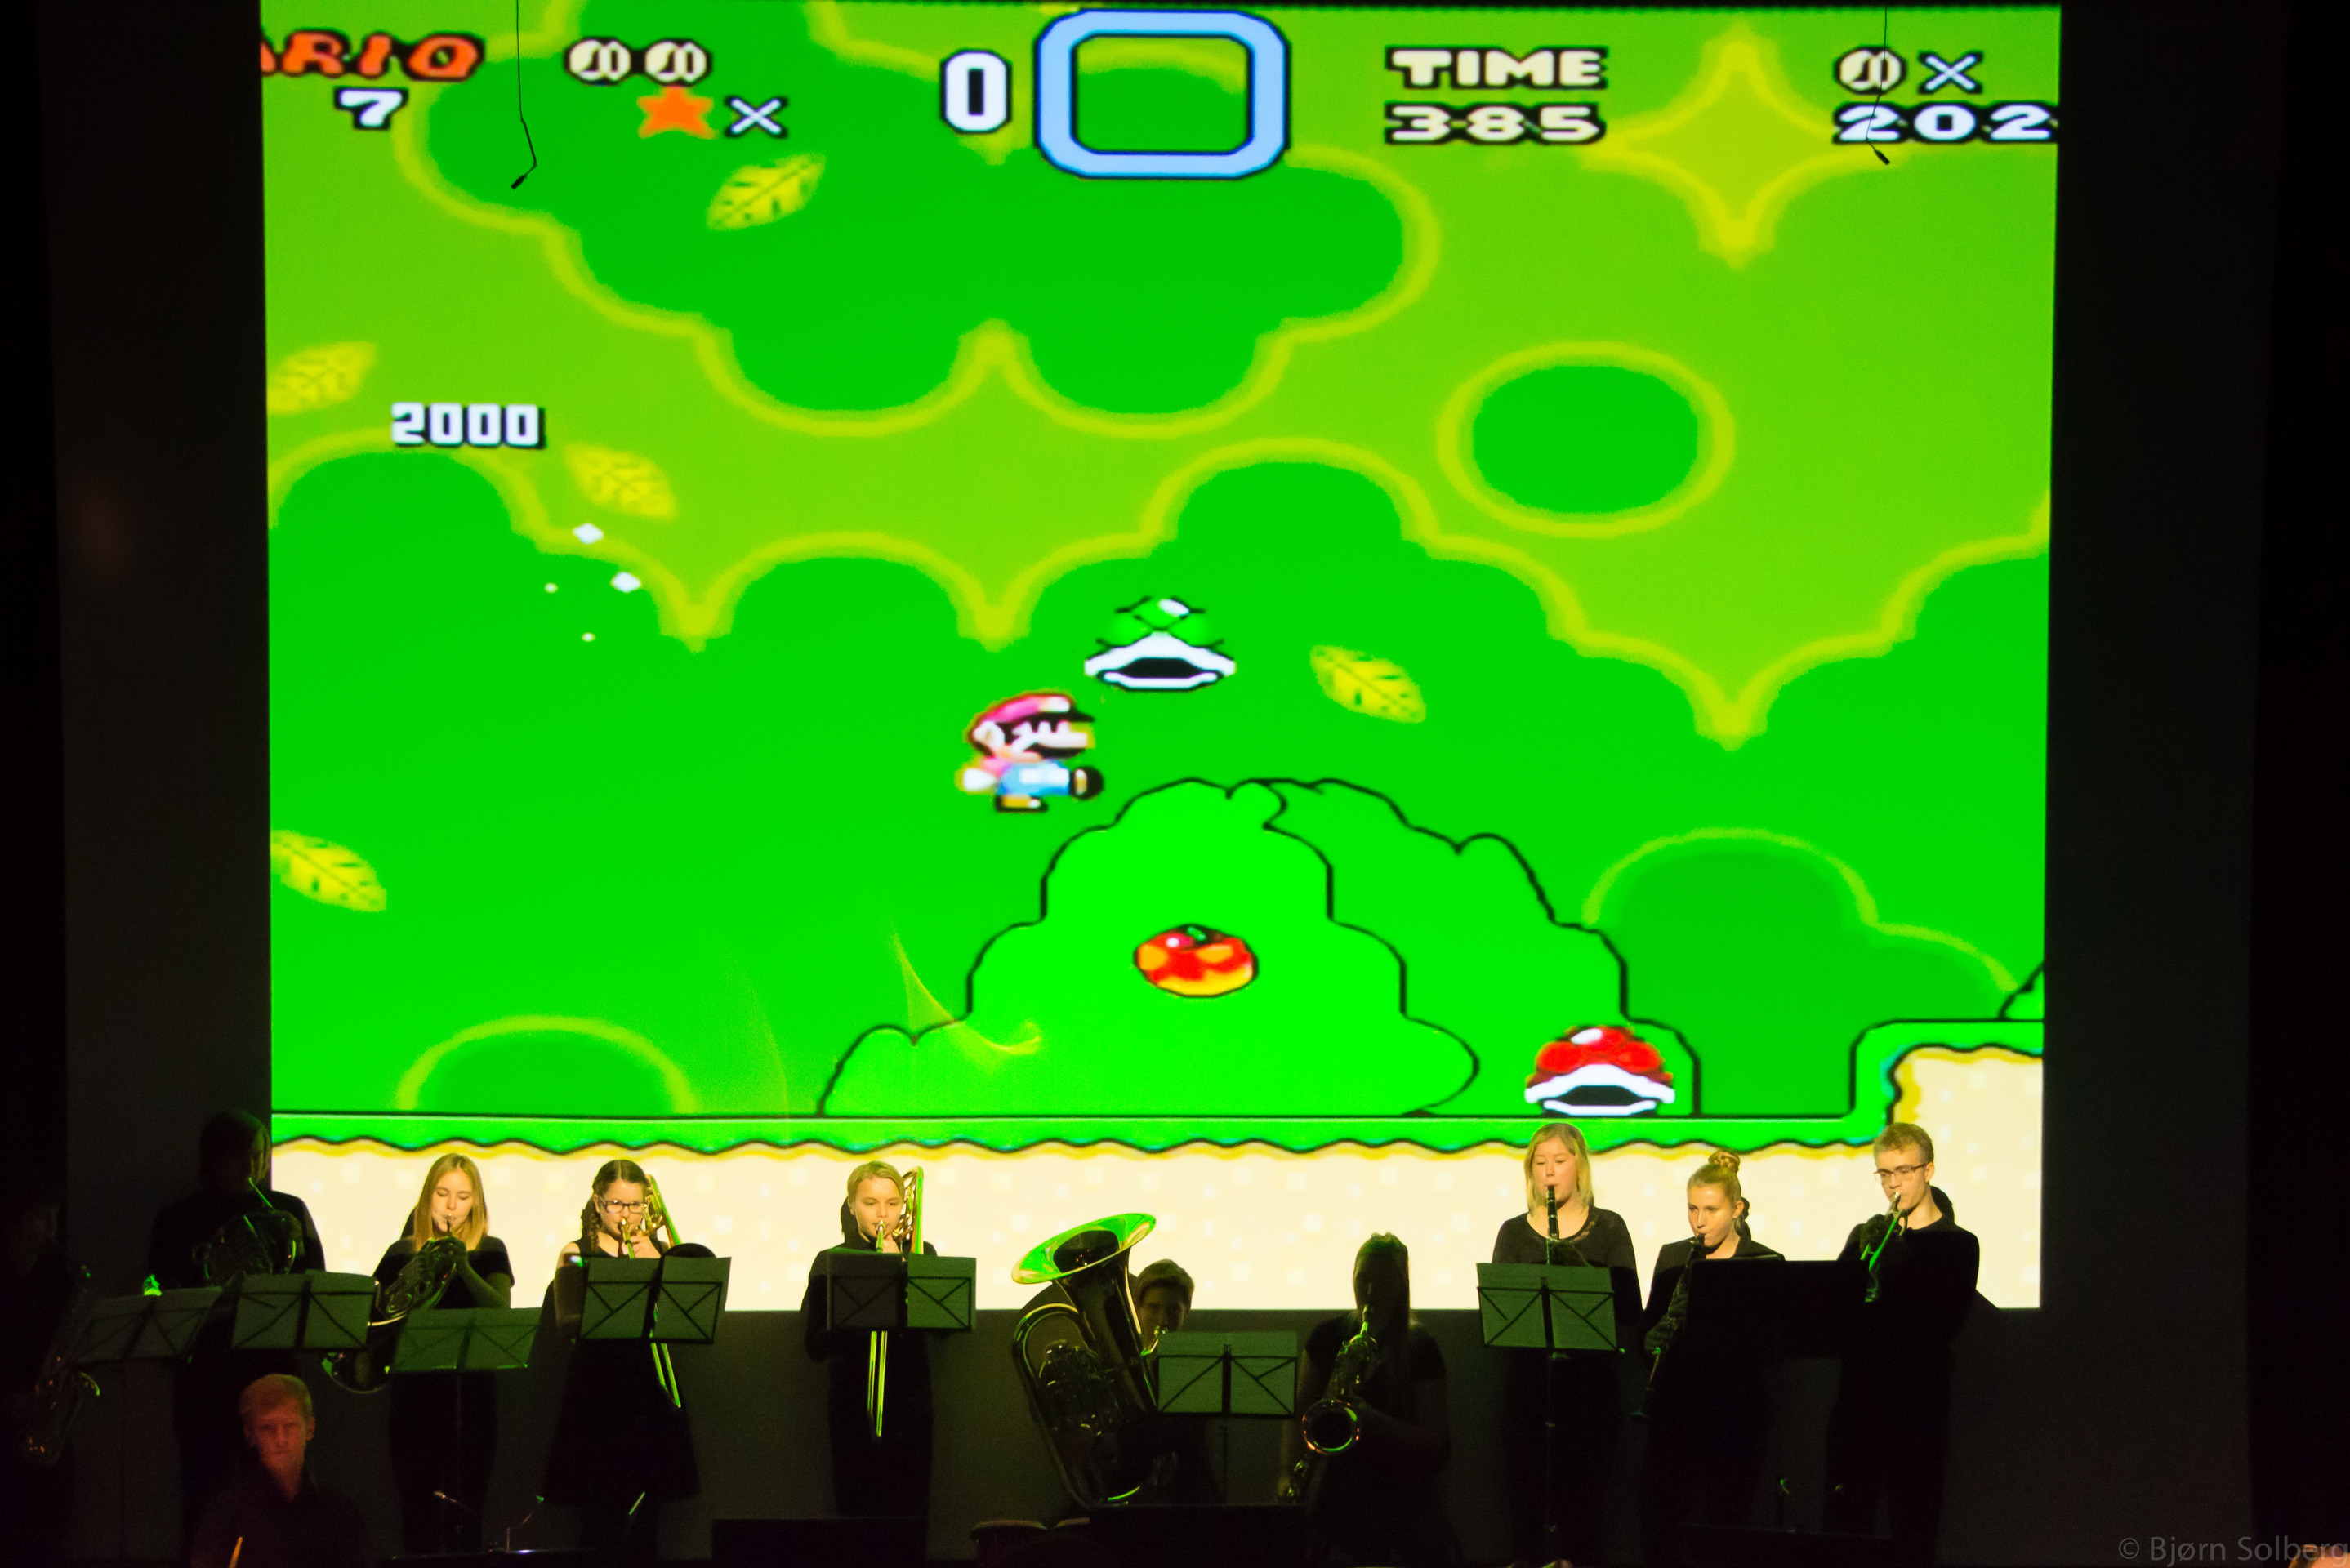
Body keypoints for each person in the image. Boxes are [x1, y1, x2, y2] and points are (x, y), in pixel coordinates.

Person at [145, 1111, 325, 1546]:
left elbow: (314, 1286)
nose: (254, 1167)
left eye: (261, 1155)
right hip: (206, 1378)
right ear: (213, 1160)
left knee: (282, 1490)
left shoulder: (287, 1211)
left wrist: (295, 1253)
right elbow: (164, 1300)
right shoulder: (178, 1220)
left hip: (274, 1371)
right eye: (242, 1157)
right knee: (206, 1494)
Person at [1822, 1123, 1980, 1566]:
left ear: (1928, 1170)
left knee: (1914, 1527)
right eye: (1885, 1174)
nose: (1893, 1184)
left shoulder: (1958, 1244)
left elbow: (1943, 1323)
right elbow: (1834, 1311)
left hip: (1917, 1408)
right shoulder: (1867, 1234)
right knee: (1846, 1526)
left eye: (1904, 1171)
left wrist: (1900, 1265)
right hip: (1858, 1402)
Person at [1488, 1120, 1637, 1568]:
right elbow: (1500, 1313)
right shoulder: (1513, 1233)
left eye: (1559, 1160)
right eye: (1540, 1162)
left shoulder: (1609, 1227)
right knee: (1528, 1507)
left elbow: (1629, 1309)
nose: (1549, 1172)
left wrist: (1582, 1274)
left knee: (1584, 1510)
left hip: (1589, 1391)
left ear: (1580, 1167)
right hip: (1530, 1388)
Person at [544, 1158, 705, 1561]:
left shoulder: (662, 1252)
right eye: (616, 1204)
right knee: (598, 1523)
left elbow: (687, 1314)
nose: (625, 1215)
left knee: (648, 1527)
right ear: (598, 1204)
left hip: (650, 1394)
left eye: (635, 1205)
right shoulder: (575, 1253)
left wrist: (657, 1261)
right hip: (596, 1396)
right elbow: (567, 1323)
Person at [1636, 1151, 1782, 1568]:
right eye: (1692, 1209)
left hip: (1737, 1412)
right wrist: (1652, 1339)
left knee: (1728, 1521)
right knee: (1661, 1517)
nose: (1699, 1222)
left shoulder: (1763, 1261)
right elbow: (1649, 1327)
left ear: (1737, 1208)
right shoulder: (1673, 1257)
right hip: (1677, 1408)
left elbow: (1773, 1346)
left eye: (1711, 1210)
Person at [1282, 1234, 1460, 1568]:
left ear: (1401, 1286)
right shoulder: (1327, 1337)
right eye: (1362, 1279)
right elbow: (1300, 1411)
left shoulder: (1421, 1348)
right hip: (1334, 1485)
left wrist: (1371, 1420)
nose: (1370, 1291)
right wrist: (1285, 1474)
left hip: (1399, 1489)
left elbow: (1434, 1443)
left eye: (1382, 1282)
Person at [374, 1152, 512, 1552]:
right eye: (442, 1194)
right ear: (427, 1196)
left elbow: (500, 1311)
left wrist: (463, 1268)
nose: (451, 1206)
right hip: (413, 1398)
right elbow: (378, 1319)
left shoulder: (491, 1250)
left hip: (472, 1396)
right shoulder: (400, 1252)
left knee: (468, 1513)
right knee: (415, 1513)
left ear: (476, 1202)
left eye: (463, 1197)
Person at [802, 1160, 939, 1521]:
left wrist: (903, 1269)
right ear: (852, 1206)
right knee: (856, 1515)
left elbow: (940, 1329)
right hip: (852, 1407)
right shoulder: (829, 1261)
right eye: (870, 1203)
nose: (883, 1214)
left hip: (910, 1406)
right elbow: (814, 1344)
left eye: (893, 1203)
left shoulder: (921, 1254)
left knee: (911, 1515)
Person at [186, 1373, 371, 1568]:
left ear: (310, 1428)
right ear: (250, 1434)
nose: (281, 1439)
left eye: (290, 1425)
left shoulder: (339, 1513)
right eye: (268, 1428)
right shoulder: (226, 1513)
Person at [1, 1175, 81, 1567]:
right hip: (9, 1412)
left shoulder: (57, 1278)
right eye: (41, 1218)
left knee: (51, 1520)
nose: (51, 1229)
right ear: (15, 1221)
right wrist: (14, 1403)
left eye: (55, 1218)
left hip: (44, 1417)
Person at [1128, 1258, 1220, 1504]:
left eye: (1173, 1310)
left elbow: (1181, 1433)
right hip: (1131, 1488)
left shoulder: (1200, 1366)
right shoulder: (1122, 1365)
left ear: (1186, 1313)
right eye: (1154, 1308)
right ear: (1139, 1310)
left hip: (1187, 1492)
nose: (1163, 1319)